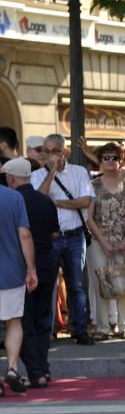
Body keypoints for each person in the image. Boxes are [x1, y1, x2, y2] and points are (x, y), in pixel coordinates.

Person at [31, 134, 95, 345]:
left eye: (55, 151)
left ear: (64, 151)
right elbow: (39, 199)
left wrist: (56, 203)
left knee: (76, 284)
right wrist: (51, 174)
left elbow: (85, 201)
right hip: (50, 238)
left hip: (75, 235)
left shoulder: (79, 172)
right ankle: (48, 330)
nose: (50, 155)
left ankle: (79, 328)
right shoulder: (38, 175)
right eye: (46, 151)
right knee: (48, 286)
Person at [4, 157, 58, 388]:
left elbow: (24, 236)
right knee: (42, 319)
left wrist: (29, 267)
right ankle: (41, 369)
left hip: (20, 265)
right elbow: (55, 233)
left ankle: (34, 371)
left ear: (12, 178)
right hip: (46, 261)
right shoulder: (45, 201)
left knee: (22, 321)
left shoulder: (14, 198)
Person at [85, 142, 125, 341]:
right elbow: (90, 218)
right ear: (99, 161)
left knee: (124, 283)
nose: (110, 161)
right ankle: (102, 326)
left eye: (114, 157)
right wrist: (104, 243)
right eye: (106, 158)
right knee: (100, 282)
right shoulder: (93, 185)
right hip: (99, 240)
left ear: (121, 160)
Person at [1, 159, 40, 394]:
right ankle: (13, 368)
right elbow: (25, 235)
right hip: (10, 270)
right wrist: (31, 268)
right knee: (13, 321)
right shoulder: (14, 198)